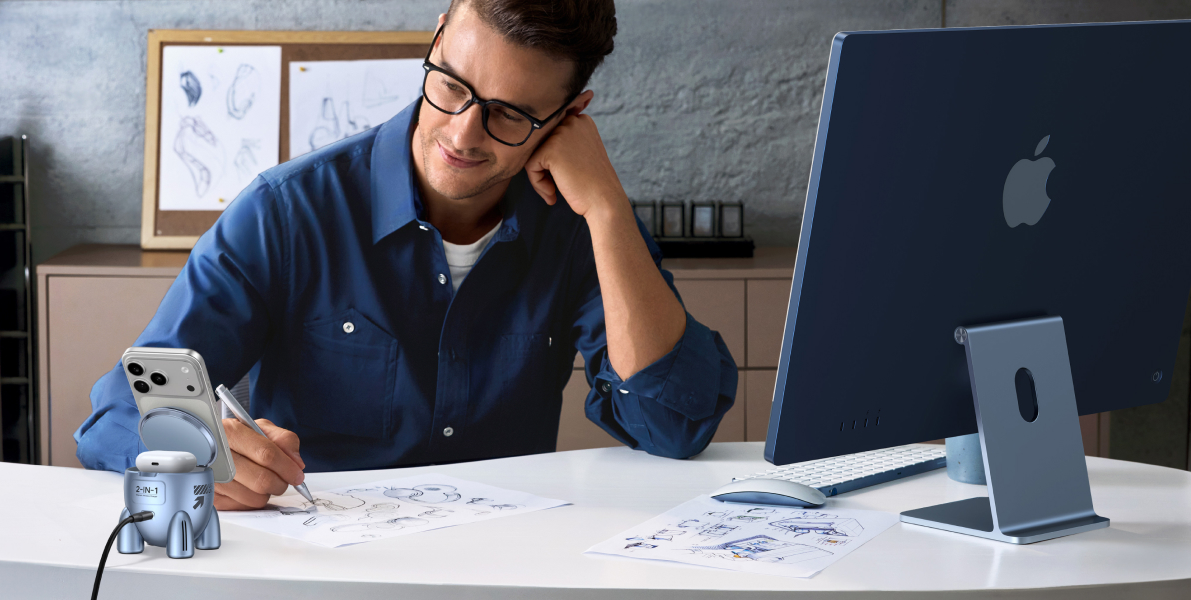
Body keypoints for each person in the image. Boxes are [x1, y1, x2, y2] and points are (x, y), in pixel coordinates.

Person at [76, 0, 738, 511]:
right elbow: (116, 414)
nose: (462, 132)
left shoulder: (578, 229)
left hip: (505, 567)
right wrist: (192, 452)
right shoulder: (287, 210)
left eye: (510, 115)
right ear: (439, 34)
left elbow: (672, 423)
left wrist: (607, 208)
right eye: (451, 84)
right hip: (317, 569)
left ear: (571, 115)